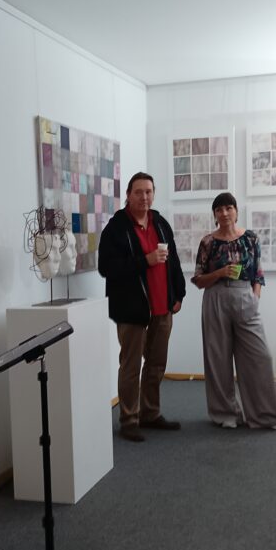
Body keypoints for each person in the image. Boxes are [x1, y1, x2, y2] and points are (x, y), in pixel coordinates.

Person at [190, 192, 276, 430]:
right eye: (219, 210)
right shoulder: (208, 242)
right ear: (214, 215)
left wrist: (254, 298)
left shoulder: (250, 239)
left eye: (229, 208)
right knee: (218, 358)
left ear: (236, 211)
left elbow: (258, 273)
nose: (224, 213)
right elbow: (198, 280)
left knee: (261, 356)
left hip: (244, 295)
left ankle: (265, 415)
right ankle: (225, 414)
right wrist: (219, 273)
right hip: (215, 297)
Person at [98, 171, 186, 442]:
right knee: (131, 366)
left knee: (156, 364)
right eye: (138, 192)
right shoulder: (116, 228)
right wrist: (145, 260)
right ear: (128, 195)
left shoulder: (160, 223)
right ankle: (129, 420)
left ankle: (150, 413)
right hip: (131, 309)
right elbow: (106, 268)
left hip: (163, 306)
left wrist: (178, 293)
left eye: (148, 191)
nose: (144, 197)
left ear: (153, 194)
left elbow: (174, 261)